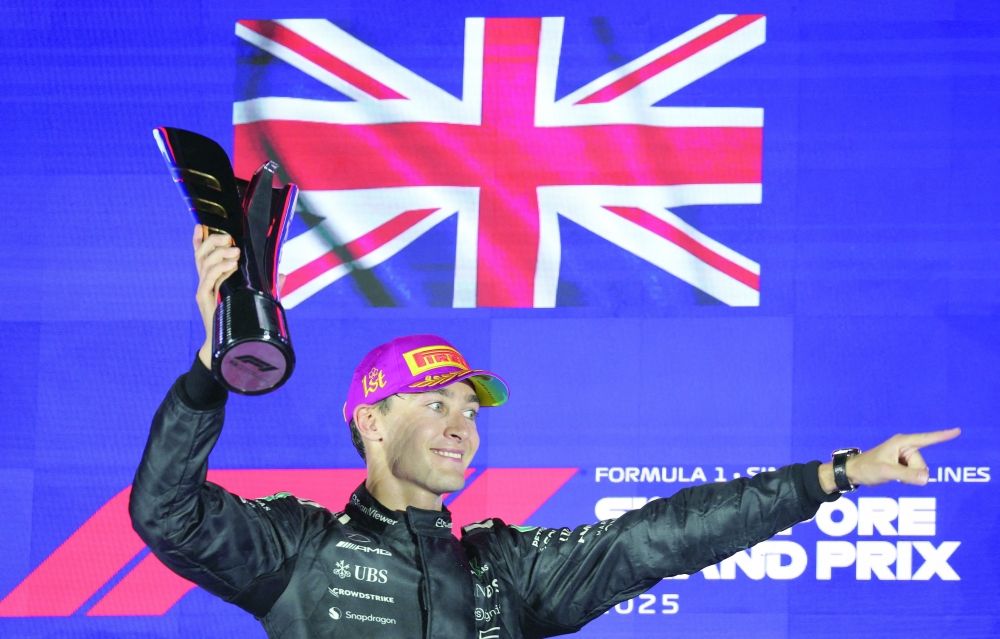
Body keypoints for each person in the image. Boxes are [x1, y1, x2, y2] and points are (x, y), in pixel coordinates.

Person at [129, 226, 961, 639]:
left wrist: (836, 473)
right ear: (371, 421)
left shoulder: (503, 564)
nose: (462, 426)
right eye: (436, 403)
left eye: (470, 408)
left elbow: (661, 537)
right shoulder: (296, 548)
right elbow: (164, 510)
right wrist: (211, 366)